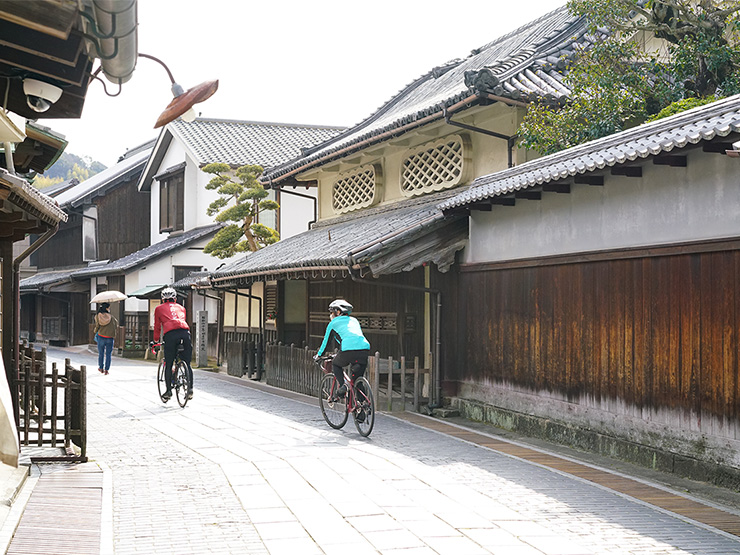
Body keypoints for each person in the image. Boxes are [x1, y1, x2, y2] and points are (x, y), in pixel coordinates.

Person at [314, 299, 371, 398]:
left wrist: (319, 355)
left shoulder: (333, 323)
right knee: (357, 381)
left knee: (336, 364)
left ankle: (343, 386)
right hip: (364, 349)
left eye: (332, 312)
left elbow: (326, 342)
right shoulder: (354, 320)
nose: (331, 315)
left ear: (338, 312)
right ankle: (363, 407)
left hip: (347, 350)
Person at [153, 287, 193, 402]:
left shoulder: (159, 309)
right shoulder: (181, 308)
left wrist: (156, 341)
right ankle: (190, 389)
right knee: (187, 363)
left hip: (170, 335)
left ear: (162, 299)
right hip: (185, 333)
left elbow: (157, 326)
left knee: (169, 363)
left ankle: (169, 391)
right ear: (175, 299)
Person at [93, 302, 118, 375]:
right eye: (109, 307)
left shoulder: (98, 316)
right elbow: (116, 324)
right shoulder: (111, 317)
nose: (109, 309)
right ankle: (107, 370)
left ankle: (101, 368)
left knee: (101, 353)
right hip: (110, 338)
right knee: (108, 354)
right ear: (106, 308)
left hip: (101, 337)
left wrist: (95, 331)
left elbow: (97, 326)